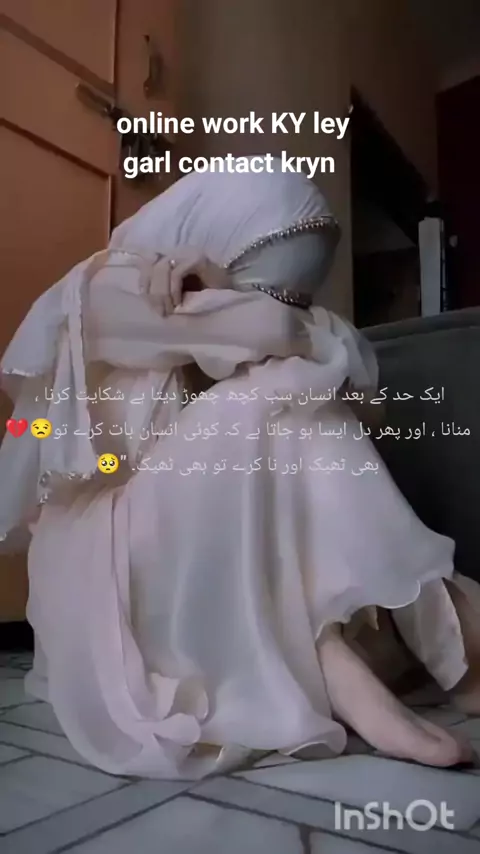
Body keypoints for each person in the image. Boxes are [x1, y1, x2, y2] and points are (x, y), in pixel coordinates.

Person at [1, 159, 480, 780]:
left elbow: (351, 378)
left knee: (286, 406)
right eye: (274, 283)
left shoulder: (203, 296)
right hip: (103, 537)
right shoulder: (103, 290)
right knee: (275, 389)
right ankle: (433, 636)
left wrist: (228, 289)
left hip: (195, 528)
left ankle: (343, 651)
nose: (282, 299)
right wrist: (238, 296)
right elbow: (278, 330)